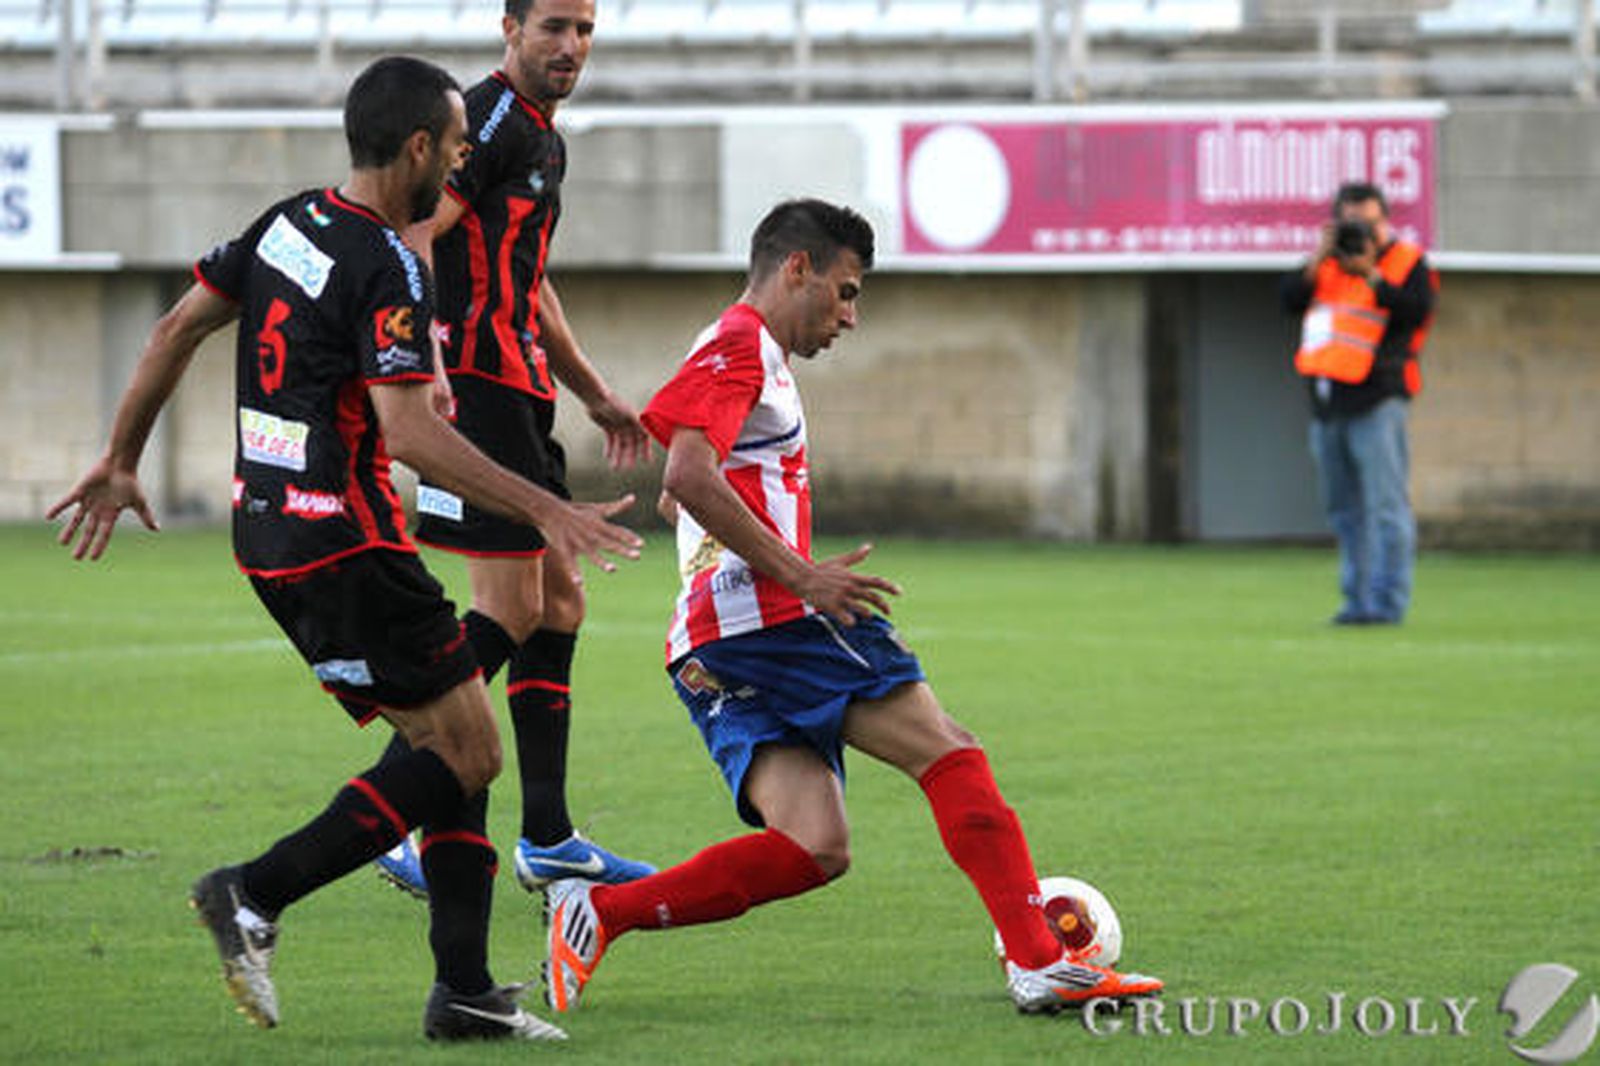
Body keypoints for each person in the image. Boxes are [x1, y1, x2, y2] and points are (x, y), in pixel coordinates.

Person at [46, 55, 642, 1042]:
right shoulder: (392, 261)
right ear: (417, 147)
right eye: (452, 148)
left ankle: (464, 992)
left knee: (452, 738)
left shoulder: (287, 224)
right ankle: (251, 890)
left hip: (268, 532)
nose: (458, 163)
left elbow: (175, 327)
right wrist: (544, 505)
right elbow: (409, 436)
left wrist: (119, 458)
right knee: (469, 744)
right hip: (349, 538)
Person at [539, 198, 1164, 1016]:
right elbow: (685, 477)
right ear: (796, 268)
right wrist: (800, 576)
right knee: (950, 752)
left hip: (706, 641)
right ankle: (1039, 958)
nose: (851, 315)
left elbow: (687, 496)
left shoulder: (746, 354)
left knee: (815, 847)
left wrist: (739, 539)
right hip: (772, 622)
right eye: (845, 290)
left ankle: (601, 911)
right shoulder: (740, 344)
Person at [372, 0, 655, 899]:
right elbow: (415, 234)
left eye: (584, 30)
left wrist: (594, 392)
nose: (570, 46)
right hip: (479, 393)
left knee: (560, 601)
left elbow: (528, 285)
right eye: (554, 28)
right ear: (510, 27)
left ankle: (547, 835)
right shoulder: (487, 119)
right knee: (514, 604)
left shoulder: (544, 139)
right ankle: (399, 813)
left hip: (522, 392)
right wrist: (421, 359)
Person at [1282, 181, 1439, 626]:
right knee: (1344, 510)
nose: (1359, 232)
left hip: (1378, 401)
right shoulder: (1326, 265)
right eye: (1350, 223)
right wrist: (1320, 256)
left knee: (1386, 507)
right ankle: (1357, 601)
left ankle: (1387, 603)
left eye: (1368, 222)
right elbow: (1288, 298)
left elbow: (1416, 311)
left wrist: (1371, 272)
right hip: (1329, 404)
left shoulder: (1407, 261)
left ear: (1384, 219)